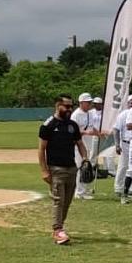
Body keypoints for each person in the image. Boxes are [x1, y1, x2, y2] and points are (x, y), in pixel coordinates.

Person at [38, 94, 88, 245]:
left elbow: (79, 144)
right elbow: (41, 150)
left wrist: (85, 159)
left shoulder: (72, 125)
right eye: (66, 106)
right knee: (58, 200)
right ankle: (57, 230)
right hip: (56, 169)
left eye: (71, 106)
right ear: (57, 106)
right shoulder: (48, 125)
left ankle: (60, 228)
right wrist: (44, 170)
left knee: (67, 201)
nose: (69, 109)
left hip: (72, 168)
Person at [70, 93, 99, 199]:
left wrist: (99, 133)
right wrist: (87, 133)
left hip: (88, 143)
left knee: (87, 168)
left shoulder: (90, 114)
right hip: (79, 145)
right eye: (87, 102)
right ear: (81, 103)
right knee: (80, 167)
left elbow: (92, 127)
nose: (89, 104)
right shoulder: (75, 115)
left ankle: (84, 189)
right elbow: (74, 131)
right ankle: (79, 192)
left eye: (90, 102)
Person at [113, 94, 132, 197]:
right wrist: (117, 144)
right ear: (127, 104)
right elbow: (116, 130)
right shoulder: (123, 114)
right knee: (123, 166)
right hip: (125, 143)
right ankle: (118, 188)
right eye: (131, 102)